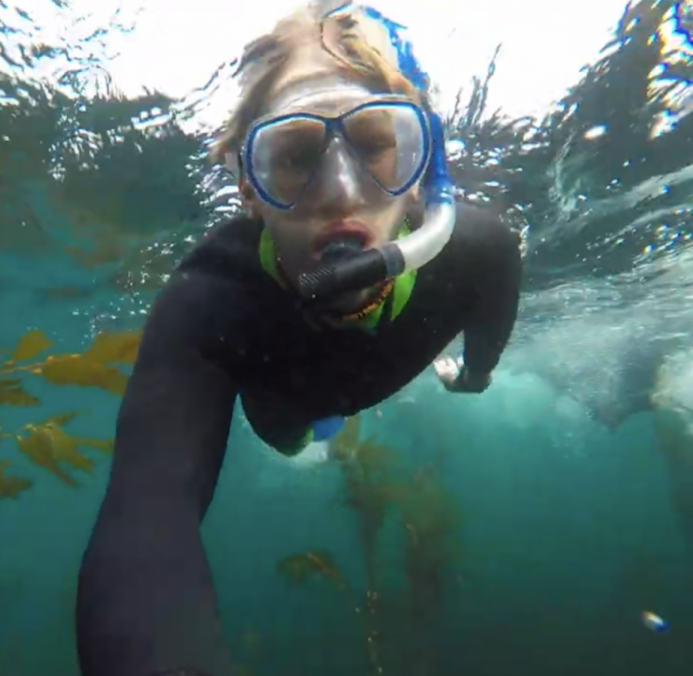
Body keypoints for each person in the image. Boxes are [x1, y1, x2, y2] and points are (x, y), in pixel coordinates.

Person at [76, 3, 522, 676]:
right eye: (293, 155)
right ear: (248, 187)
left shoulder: (483, 251)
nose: (340, 192)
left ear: (420, 166)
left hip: (339, 378)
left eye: (375, 144)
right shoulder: (208, 300)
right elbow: (148, 523)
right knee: (295, 439)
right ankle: (312, 441)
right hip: (281, 406)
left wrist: (477, 376)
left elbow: (487, 340)